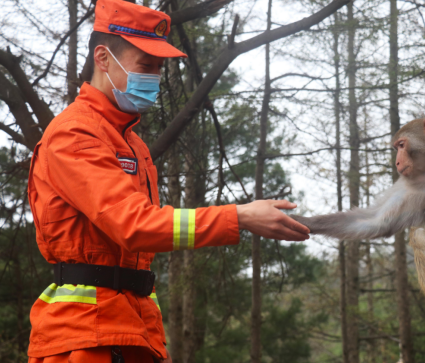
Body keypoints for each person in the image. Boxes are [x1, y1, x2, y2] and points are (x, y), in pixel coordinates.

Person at [26, 1, 310, 362]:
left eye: (159, 68)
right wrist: (238, 217)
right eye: (146, 65)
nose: (155, 78)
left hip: (133, 331)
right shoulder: (75, 135)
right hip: (86, 338)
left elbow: (148, 235)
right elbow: (135, 226)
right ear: (103, 58)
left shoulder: (132, 143)